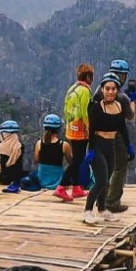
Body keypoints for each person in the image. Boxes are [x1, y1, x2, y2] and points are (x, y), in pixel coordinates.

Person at [84, 73, 131, 224]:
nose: (110, 92)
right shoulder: (96, 107)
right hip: (97, 146)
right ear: (102, 90)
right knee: (101, 180)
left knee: (107, 180)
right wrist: (90, 150)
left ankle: (103, 209)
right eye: (107, 88)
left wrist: (128, 144)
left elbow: (122, 128)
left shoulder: (118, 106)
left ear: (117, 90)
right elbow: (91, 130)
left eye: (113, 89)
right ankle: (88, 210)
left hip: (110, 146)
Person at [105, 59, 136, 214]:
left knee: (105, 166)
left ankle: (102, 198)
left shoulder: (101, 91)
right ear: (122, 76)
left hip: (100, 134)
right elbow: (130, 116)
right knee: (120, 167)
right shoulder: (123, 97)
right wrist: (133, 100)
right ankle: (112, 202)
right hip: (116, 135)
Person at [56, 65, 95, 202]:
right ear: (89, 77)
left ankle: (76, 187)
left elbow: (66, 110)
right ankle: (61, 187)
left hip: (71, 128)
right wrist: (89, 128)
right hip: (80, 129)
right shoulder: (84, 90)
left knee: (78, 158)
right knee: (77, 160)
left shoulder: (72, 89)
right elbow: (85, 112)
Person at [32, 114, 72, 191]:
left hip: (41, 180)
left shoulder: (39, 143)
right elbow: (71, 162)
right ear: (58, 129)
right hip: (57, 181)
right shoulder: (64, 145)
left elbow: (36, 160)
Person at [0, 120, 25, 190]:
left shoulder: (2, 147)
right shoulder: (20, 146)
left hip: (5, 179)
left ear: (6, 134)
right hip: (17, 178)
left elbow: (1, 165)